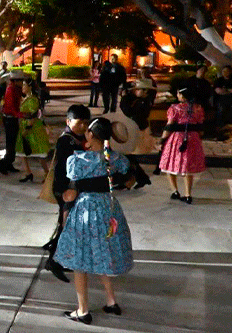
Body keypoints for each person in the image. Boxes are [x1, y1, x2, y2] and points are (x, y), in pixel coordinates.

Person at [54, 117, 134, 325]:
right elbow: (129, 180)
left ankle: (82, 310)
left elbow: (70, 193)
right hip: (110, 208)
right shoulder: (115, 159)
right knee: (102, 253)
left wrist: (65, 209)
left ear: (90, 135)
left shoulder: (79, 160)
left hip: (86, 211)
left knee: (80, 261)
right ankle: (111, 301)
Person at [43, 104, 90, 283]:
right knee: (67, 224)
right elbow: (65, 169)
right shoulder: (67, 140)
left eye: (87, 123)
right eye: (80, 123)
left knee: (66, 223)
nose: (84, 127)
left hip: (72, 189)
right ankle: (54, 260)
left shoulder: (80, 138)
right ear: (68, 121)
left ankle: (56, 256)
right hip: (65, 189)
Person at [159, 87, 206, 204]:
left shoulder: (175, 108)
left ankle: (175, 191)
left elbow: (169, 125)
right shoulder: (198, 108)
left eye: (178, 93)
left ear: (182, 96)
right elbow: (200, 127)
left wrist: (162, 139)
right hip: (193, 138)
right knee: (188, 167)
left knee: (168, 164)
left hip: (177, 138)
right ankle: (188, 194)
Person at [119, 79, 155, 189]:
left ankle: (136, 178)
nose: (135, 91)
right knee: (127, 156)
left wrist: (124, 98)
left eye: (138, 89)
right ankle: (138, 178)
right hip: (133, 130)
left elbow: (128, 111)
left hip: (137, 132)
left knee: (127, 156)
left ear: (146, 91)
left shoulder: (143, 102)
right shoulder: (140, 100)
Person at [16, 78, 51, 183]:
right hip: (25, 126)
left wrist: (27, 129)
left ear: (29, 87)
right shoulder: (28, 98)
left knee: (39, 154)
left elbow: (33, 116)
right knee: (23, 152)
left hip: (33, 129)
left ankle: (47, 174)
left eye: (24, 85)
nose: (22, 87)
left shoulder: (32, 100)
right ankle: (28, 173)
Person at [0, 71, 25, 174]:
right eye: (21, 80)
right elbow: (11, 107)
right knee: (11, 143)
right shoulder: (11, 90)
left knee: (12, 143)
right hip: (9, 118)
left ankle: (8, 163)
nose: (22, 82)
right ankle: (2, 164)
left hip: (11, 118)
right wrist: (21, 115)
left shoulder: (15, 89)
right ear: (16, 81)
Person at [213, 65, 232, 130]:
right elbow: (218, 91)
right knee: (220, 111)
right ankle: (220, 128)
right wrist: (231, 90)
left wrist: (227, 90)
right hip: (221, 99)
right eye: (224, 71)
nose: (225, 73)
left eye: (227, 71)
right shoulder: (219, 80)